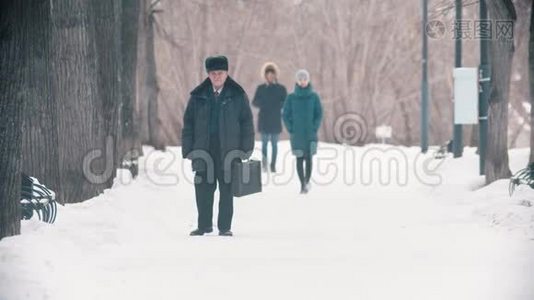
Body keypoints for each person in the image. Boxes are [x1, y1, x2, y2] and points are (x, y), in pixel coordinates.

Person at [181, 56, 254, 236]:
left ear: (226, 73)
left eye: (220, 73)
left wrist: (246, 148)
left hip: (229, 150)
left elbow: (247, 123)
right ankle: (204, 225)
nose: (217, 77)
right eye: (213, 73)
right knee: (203, 189)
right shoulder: (198, 96)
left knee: (227, 189)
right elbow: (188, 124)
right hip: (204, 149)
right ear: (208, 74)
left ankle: (224, 227)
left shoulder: (237, 95)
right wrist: (188, 149)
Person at [282, 69, 323, 194]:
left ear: (308, 80)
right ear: (297, 81)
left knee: (309, 158)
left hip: (310, 133)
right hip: (297, 135)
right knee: (299, 159)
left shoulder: (314, 97)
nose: (303, 81)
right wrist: (291, 129)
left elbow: (319, 113)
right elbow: (285, 115)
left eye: (305, 79)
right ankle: (302, 185)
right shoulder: (291, 97)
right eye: (300, 79)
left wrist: (314, 127)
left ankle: (307, 181)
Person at [252, 62, 287, 173]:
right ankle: (264, 164)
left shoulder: (281, 88)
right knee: (264, 144)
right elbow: (254, 102)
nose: (271, 76)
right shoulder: (261, 88)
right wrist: (264, 103)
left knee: (275, 144)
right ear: (265, 75)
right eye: (268, 74)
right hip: (264, 119)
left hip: (275, 119)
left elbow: (286, 102)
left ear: (275, 75)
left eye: (272, 74)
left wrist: (277, 105)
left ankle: (272, 165)